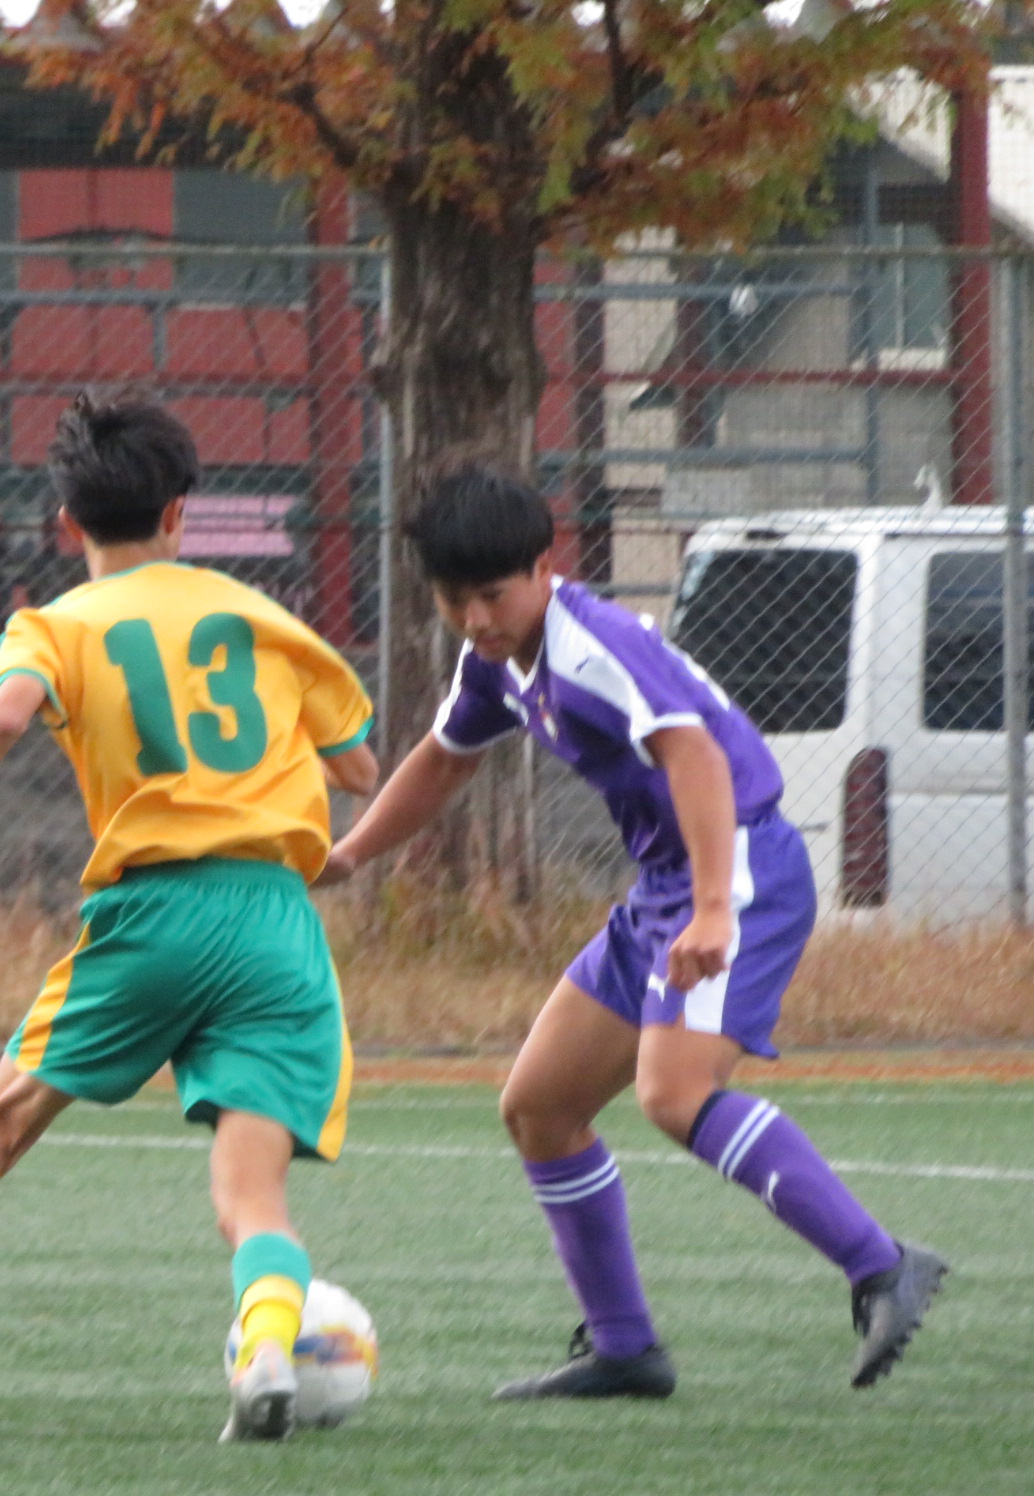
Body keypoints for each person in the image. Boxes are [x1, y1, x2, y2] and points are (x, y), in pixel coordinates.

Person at [0, 394, 378, 1442]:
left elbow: (3, 716)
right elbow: (358, 766)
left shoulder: (54, 625)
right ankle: (268, 1349)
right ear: (179, 513)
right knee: (252, 1195)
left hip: (153, 913)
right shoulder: (262, 617)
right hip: (274, 921)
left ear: (66, 522)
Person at [318, 466, 944, 1399]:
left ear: (544, 568)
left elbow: (695, 754)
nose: (476, 619)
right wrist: (349, 856)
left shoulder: (591, 644)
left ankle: (882, 1265)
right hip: (664, 887)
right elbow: (444, 761)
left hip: (737, 869)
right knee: (540, 1108)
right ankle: (624, 1349)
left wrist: (714, 908)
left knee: (674, 1093)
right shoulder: (496, 661)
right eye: (454, 600)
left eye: (493, 595)